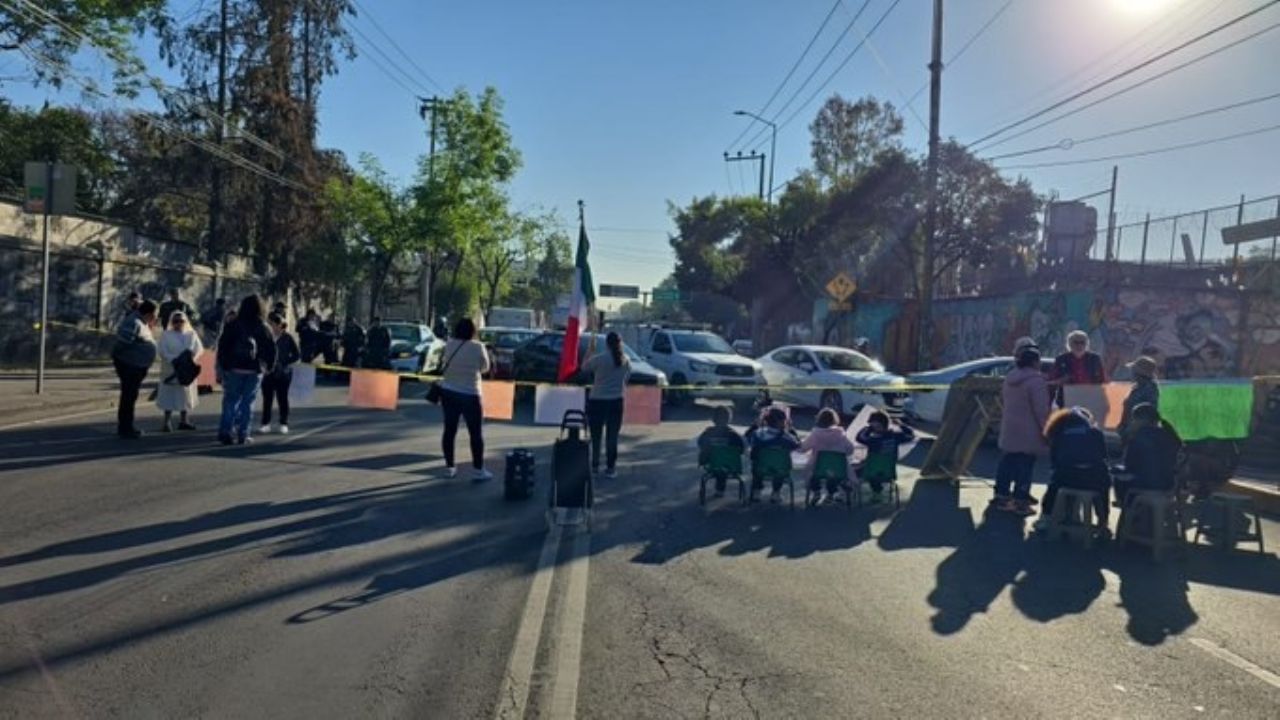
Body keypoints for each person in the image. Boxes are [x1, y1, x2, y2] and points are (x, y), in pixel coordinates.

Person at [995, 344, 1051, 515]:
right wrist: (1047, 430)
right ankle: (1021, 501)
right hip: (1029, 430)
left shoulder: (1010, 378)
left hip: (1010, 426)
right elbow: (1041, 410)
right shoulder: (1036, 381)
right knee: (1025, 465)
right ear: (1035, 362)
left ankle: (1001, 496)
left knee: (1007, 462)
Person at [1037, 407, 1112, 534]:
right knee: (1104, 482)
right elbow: (1103, 455)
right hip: (1093, 481)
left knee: (1054, 483)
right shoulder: (1095, 433)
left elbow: (1054, 461)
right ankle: (1103, 521)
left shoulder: (1059, 435)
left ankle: (1046, 517)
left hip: (1066, 480)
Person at [216, 295, 277, 445]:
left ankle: (226, 432)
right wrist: (269, 366)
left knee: (230, 401)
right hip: (255, 370)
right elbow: (272, 349)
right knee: (247, 403)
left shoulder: (233, 324)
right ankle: (243, 434)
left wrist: (223, 365)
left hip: (234, 368)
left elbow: (223, 345)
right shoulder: (264, 327)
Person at [438, 317, 492, 480]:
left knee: (449, 430)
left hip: (449, 392)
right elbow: (485, 368)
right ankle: (478, 470)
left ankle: (449, 467)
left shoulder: (449, 344)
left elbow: (443, 362)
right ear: (472, 331)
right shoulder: (478, 347)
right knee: (475, 433)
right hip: (470, 393)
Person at [582, 332, 631, 478]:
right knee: (612, 436)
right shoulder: (626, 360)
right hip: (616, 401)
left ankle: (595, 465)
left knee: (596, 436)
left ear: (607, 344)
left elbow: (584, 367)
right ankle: (611, 468)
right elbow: (626, 380)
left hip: (597, 400)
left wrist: (590, 350)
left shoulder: (600, 359)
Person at [1114, 403, 1182, 506]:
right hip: (1168, 484)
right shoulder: (1170, 436)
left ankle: (1124, 505)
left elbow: (1130, 466)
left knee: (1118, 475)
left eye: (1133, 419)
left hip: (1144, 484)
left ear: (1140, 420)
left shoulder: (1137, 438)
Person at [111, 299, 158, 439]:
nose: (156, 318)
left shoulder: (142, 323)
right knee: (128, 397)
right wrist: (126, 364)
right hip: (130, 366)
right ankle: (125, 427)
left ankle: (127, 426)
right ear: (149, 313)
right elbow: (122, 344)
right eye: (155, 314)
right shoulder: (134, 322)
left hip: (136, 366)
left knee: (131, 396)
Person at [155, 311, 203, 432]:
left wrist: (190, 358)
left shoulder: (191, 334)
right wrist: (174, 359)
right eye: (175, 321)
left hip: (186, 368)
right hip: (171, 368)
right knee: (169, 396)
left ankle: (184, 421)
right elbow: (162, 350)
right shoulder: (166, 335)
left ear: (185, 321)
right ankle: (166, 423)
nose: (178, 323)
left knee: (185, 395)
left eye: (181, 321)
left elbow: (198, 349)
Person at [855, 410, 915, 505]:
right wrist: (901, 425)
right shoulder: (896, 436)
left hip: (871, 472)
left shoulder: (872, 440)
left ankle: (876, 492)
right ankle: (878, 491)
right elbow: (911, 435)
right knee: (876, 466)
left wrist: (868, 428)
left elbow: (859, 437)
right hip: (889, 472)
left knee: (857, 468)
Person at [745, 406, 801, 503]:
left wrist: (755, 425)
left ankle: (756, 491)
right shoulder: (787, 437)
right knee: (780, 468)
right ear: (784, 421)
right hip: (781, 469)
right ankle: (776, 492)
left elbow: (747, 438)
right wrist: (791, 429)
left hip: (760, 468)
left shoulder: (758, 434)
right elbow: (797, 445)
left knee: (757, 460)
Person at [802, 407, 856, 505]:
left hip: (818, 468)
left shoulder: (815, 435)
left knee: (813, 473)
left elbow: (803, 448)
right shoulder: (841, 435)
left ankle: (816, 492)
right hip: (838, 469)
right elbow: (851, 450)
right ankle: (831, 493)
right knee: (833, 474)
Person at [260, 313, 301, 435]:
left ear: (278, 325)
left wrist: (284, 363)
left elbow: (297, 355)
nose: (270, 326)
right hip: (268, 372)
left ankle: (283, 423)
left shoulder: (287, 338)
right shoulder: (266, 337)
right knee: (267, 399)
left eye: (271, 324)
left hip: (284, 373)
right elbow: (261, 352)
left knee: (282, 399)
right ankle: (265, 423)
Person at [697, 406, 745, 498]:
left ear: (713, 419)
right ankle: (720, 490)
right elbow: (741, 449)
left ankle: (719, 490)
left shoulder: (708, 433)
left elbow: (700, 444)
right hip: (731, 465)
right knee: (723, 465)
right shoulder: (733, 435)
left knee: (717, 463)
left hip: (712, 464)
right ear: (729, 419)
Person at [1050, 330, 1106, 406]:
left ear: (1087, 344)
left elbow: (1102, 380)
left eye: (1082, 342)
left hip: (1089, 399)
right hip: (1067, 400)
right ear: (1069, 344)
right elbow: (1053, 380)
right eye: (1076, 342)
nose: (1079, 345)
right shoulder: (1061, 359)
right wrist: (1062, 380)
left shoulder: (1095, 359)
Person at [1118, 356, 1160, 444]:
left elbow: (1146, 414)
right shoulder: (1138, 388)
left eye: (1134, 371)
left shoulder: (1150, 389)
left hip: (1141, 434)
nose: (1132, 373)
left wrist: (1129, 431)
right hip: (1132, 431)